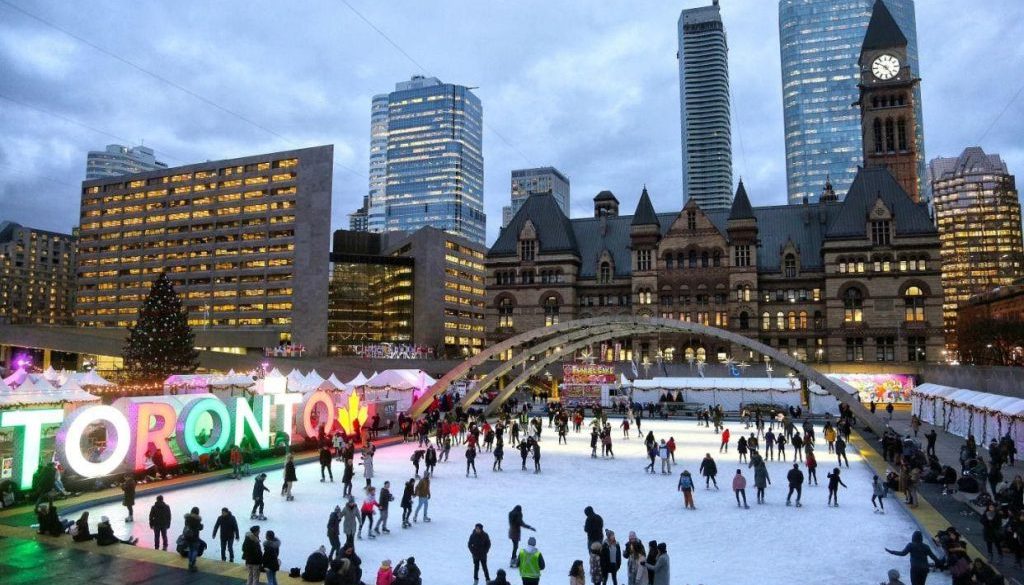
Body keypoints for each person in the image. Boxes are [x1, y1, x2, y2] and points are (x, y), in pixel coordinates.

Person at [184, 507, 204, 572]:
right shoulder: (197, 519)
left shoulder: (187, 518)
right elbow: (200, 527)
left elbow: (186, 525)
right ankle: (193, 563)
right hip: (195, 537)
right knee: (195, 550)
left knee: (190, 550)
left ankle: (190, 563)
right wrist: (201, 525)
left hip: (188, 537)